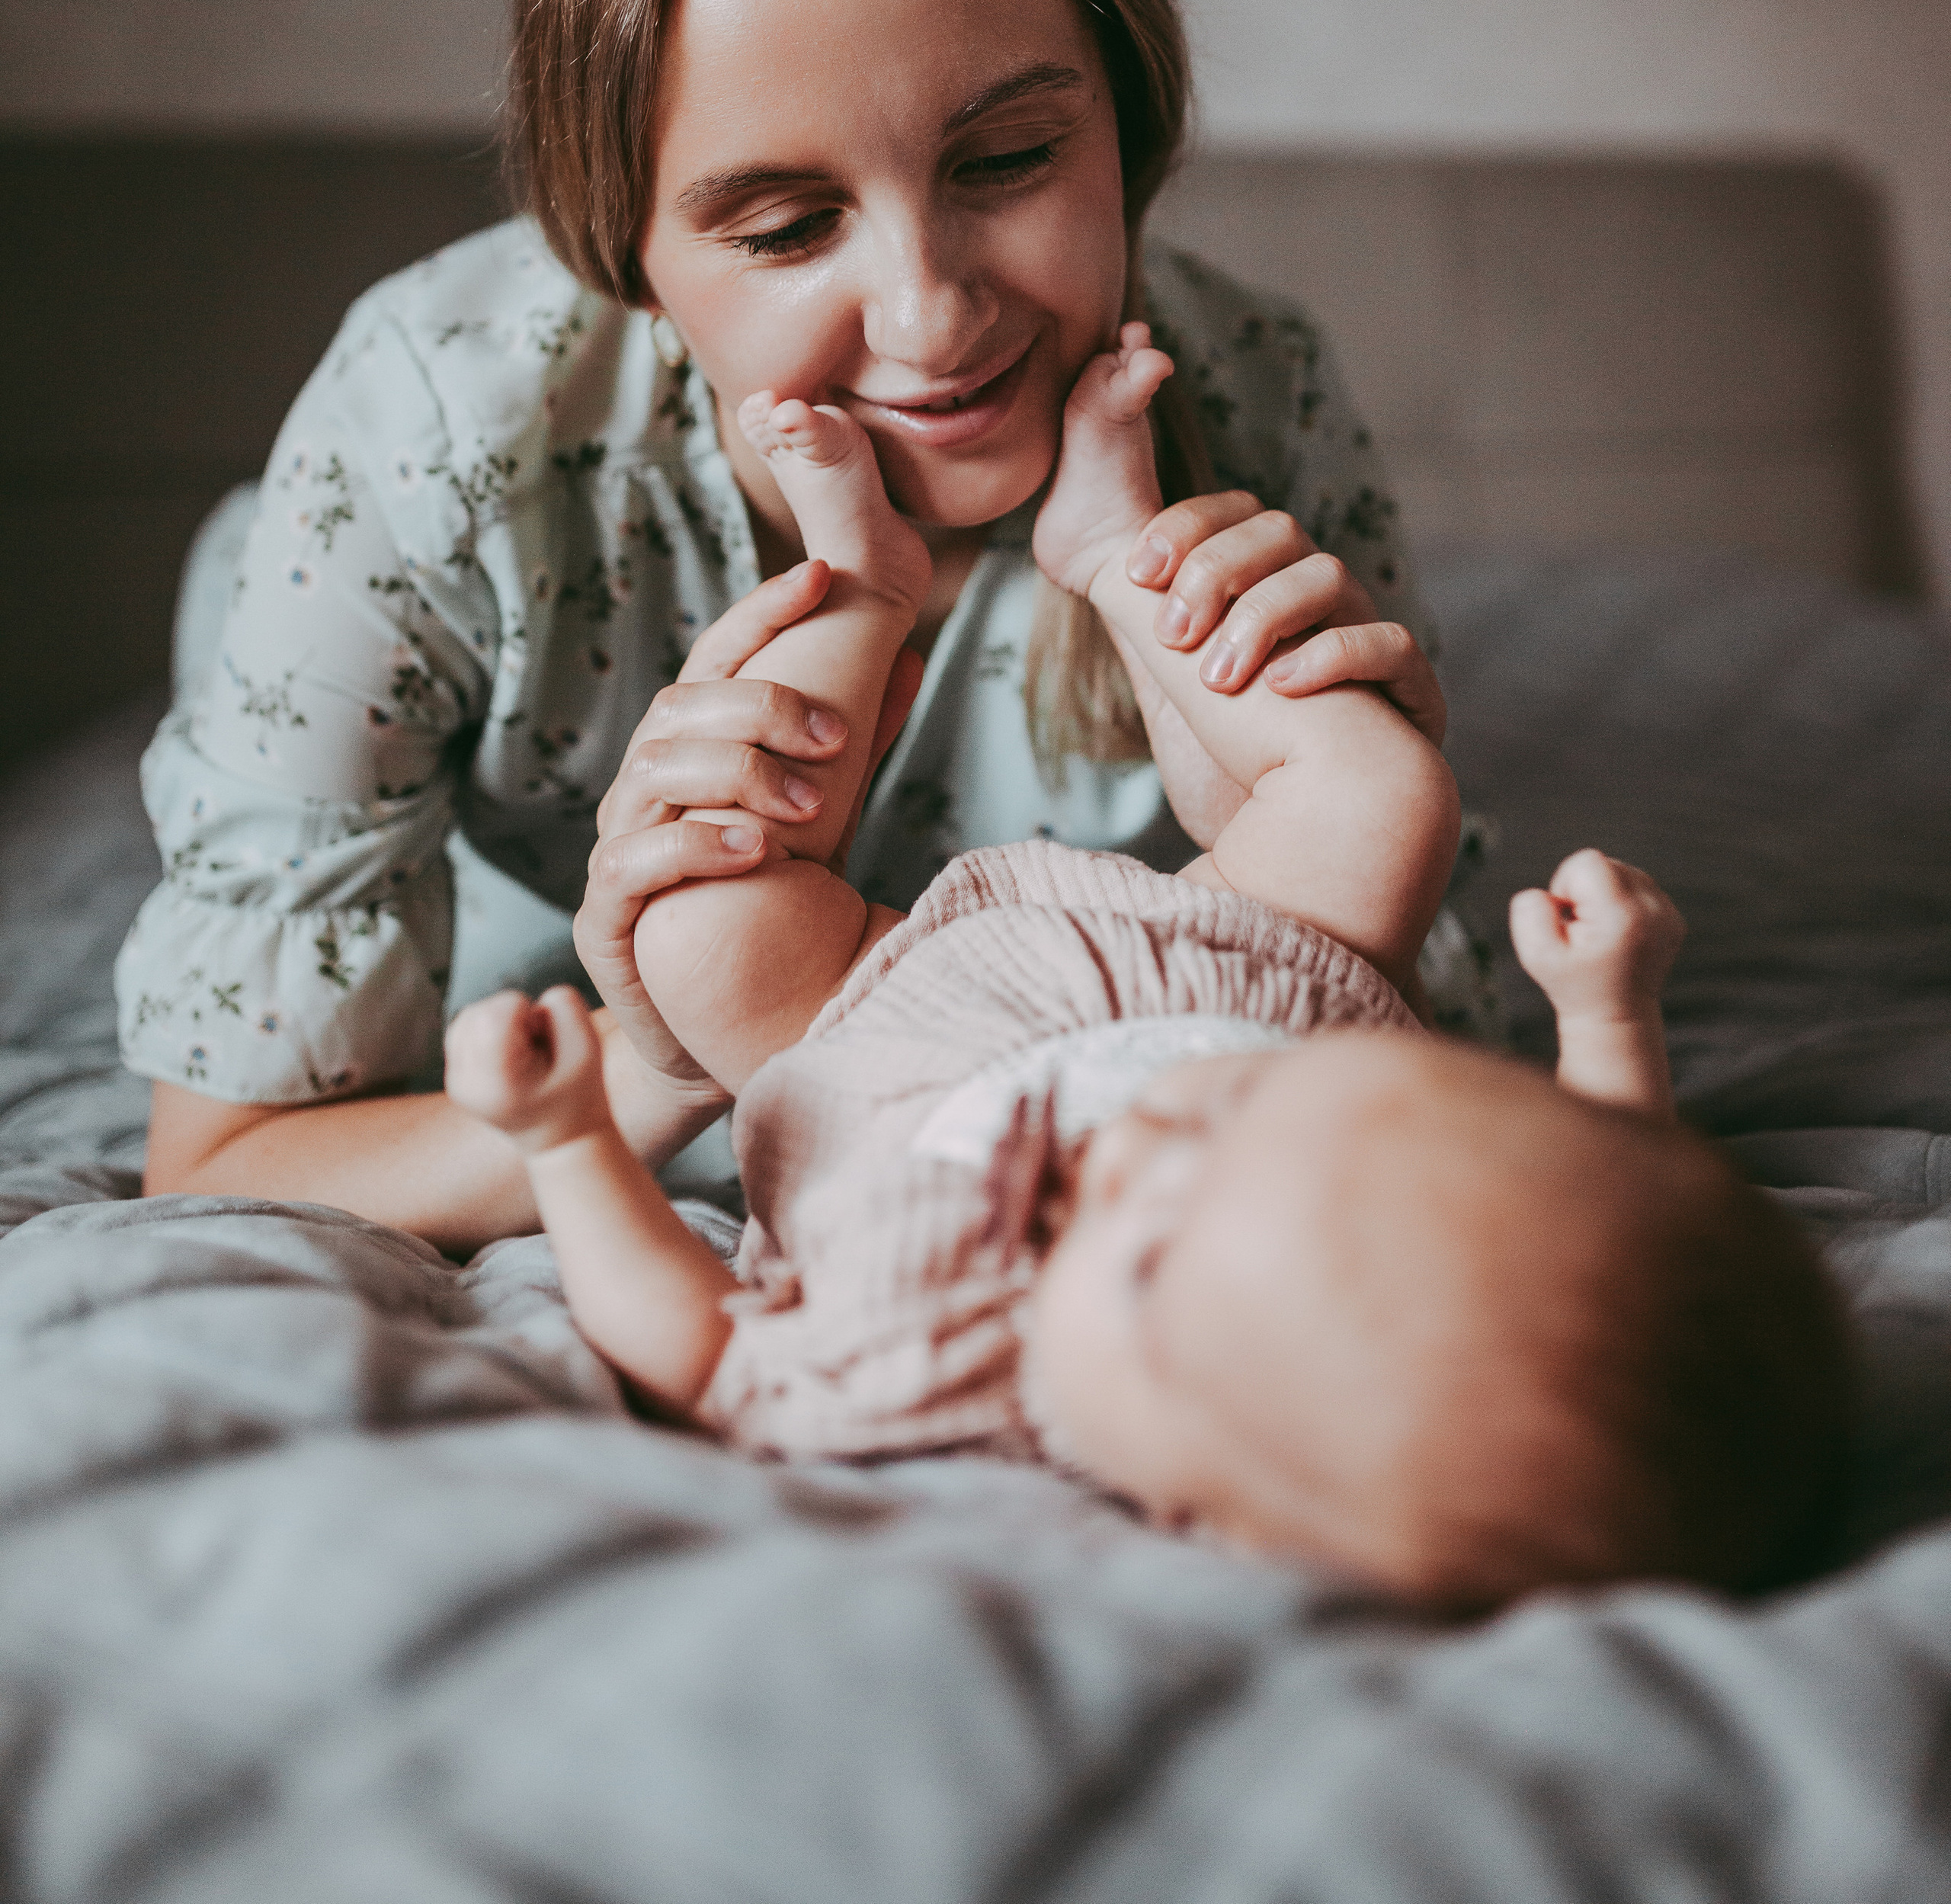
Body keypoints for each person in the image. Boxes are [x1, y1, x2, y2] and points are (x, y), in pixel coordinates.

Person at [121, 0, 1449, 1251]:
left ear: (1128, 110)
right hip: (350, 621)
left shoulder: (1248, 390)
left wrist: (1346, 846)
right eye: (782, 226)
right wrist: (661, 1059)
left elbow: (1429, 1059)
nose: (932, 316)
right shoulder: (431, 452)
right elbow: (225, 1155)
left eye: (1008, 158)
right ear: (622, 250)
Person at [445, 332, 1850, 1612]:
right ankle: (1116, 549)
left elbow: (692, 1350)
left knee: (699, 926)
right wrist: (1609, 1006)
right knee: (1386, 804)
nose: (1143, 1140)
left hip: (876, 1013)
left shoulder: (924, 1370)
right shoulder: (1400, 1217)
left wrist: (568, 1145)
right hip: (1247, 963)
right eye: (1249, 1122)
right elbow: (1608, 1168)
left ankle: (863, 584)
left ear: (1206, 1520)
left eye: (1152, 1256)